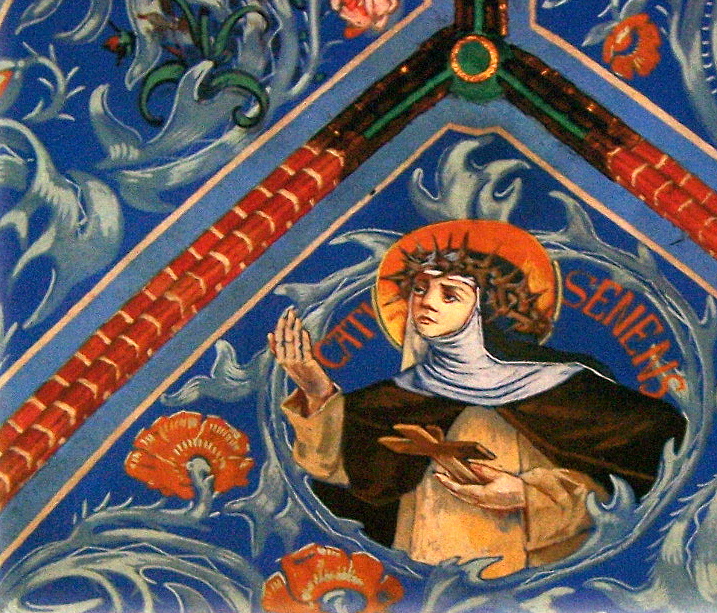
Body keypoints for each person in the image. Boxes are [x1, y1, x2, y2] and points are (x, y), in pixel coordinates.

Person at [271, 221, 686, 578]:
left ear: (486, 311)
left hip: (536, 576)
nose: (426, 302)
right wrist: (316, 390)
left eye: (449, 294)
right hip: (430, 567)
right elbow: (340, 471)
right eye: (420, 288)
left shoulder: (567, 390)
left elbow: (629, 484)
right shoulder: (400, 394)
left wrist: (526, 495)